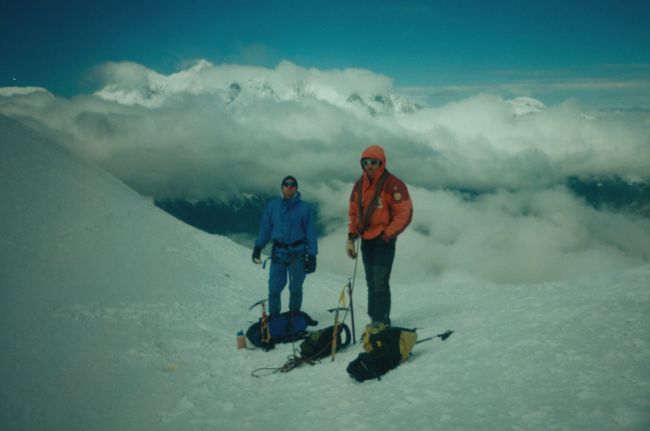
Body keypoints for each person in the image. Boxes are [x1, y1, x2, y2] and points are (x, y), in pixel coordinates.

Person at [346, 145, 412, 326]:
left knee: (380, 281)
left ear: (382, 163)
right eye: (365, 162)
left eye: (374, 162)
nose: (369, 166)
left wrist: (387, 234)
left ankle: (381, 320)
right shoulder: (359, 185)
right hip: (366, 240)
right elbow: (353, 213)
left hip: (384, 241)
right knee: (371, 282)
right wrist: (351, 238)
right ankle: (374, 319)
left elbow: (404, 213)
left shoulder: (393, 184)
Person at [252, 175, 318, 316]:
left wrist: (312, 255)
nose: (289, 187)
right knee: (274, 288)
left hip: (298, 253)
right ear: (282, 187)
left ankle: (294, 318)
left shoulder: (305, 208)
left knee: (295, 288)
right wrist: (258, 247)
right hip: (278, 253)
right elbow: (265, 228)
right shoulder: (273, 206)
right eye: (286, 185)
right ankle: (274, 318)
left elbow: (310, 232)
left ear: (296, 188)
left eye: (293, 185)